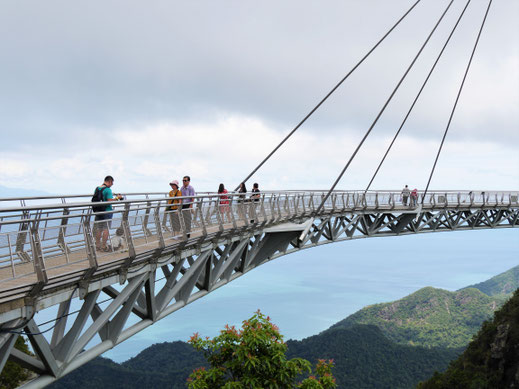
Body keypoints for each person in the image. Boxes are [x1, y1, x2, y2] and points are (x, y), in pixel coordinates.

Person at [94, 175, 122, 251]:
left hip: (98, 211)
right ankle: (103, 246)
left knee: (99, 228)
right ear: (109, 181)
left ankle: (97, 246)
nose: (112, 185)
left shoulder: (97, 188)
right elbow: (109, 200)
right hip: (107, 211)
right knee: (106, 229)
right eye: (112, 183)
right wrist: (117, 198)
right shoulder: (108, 190)